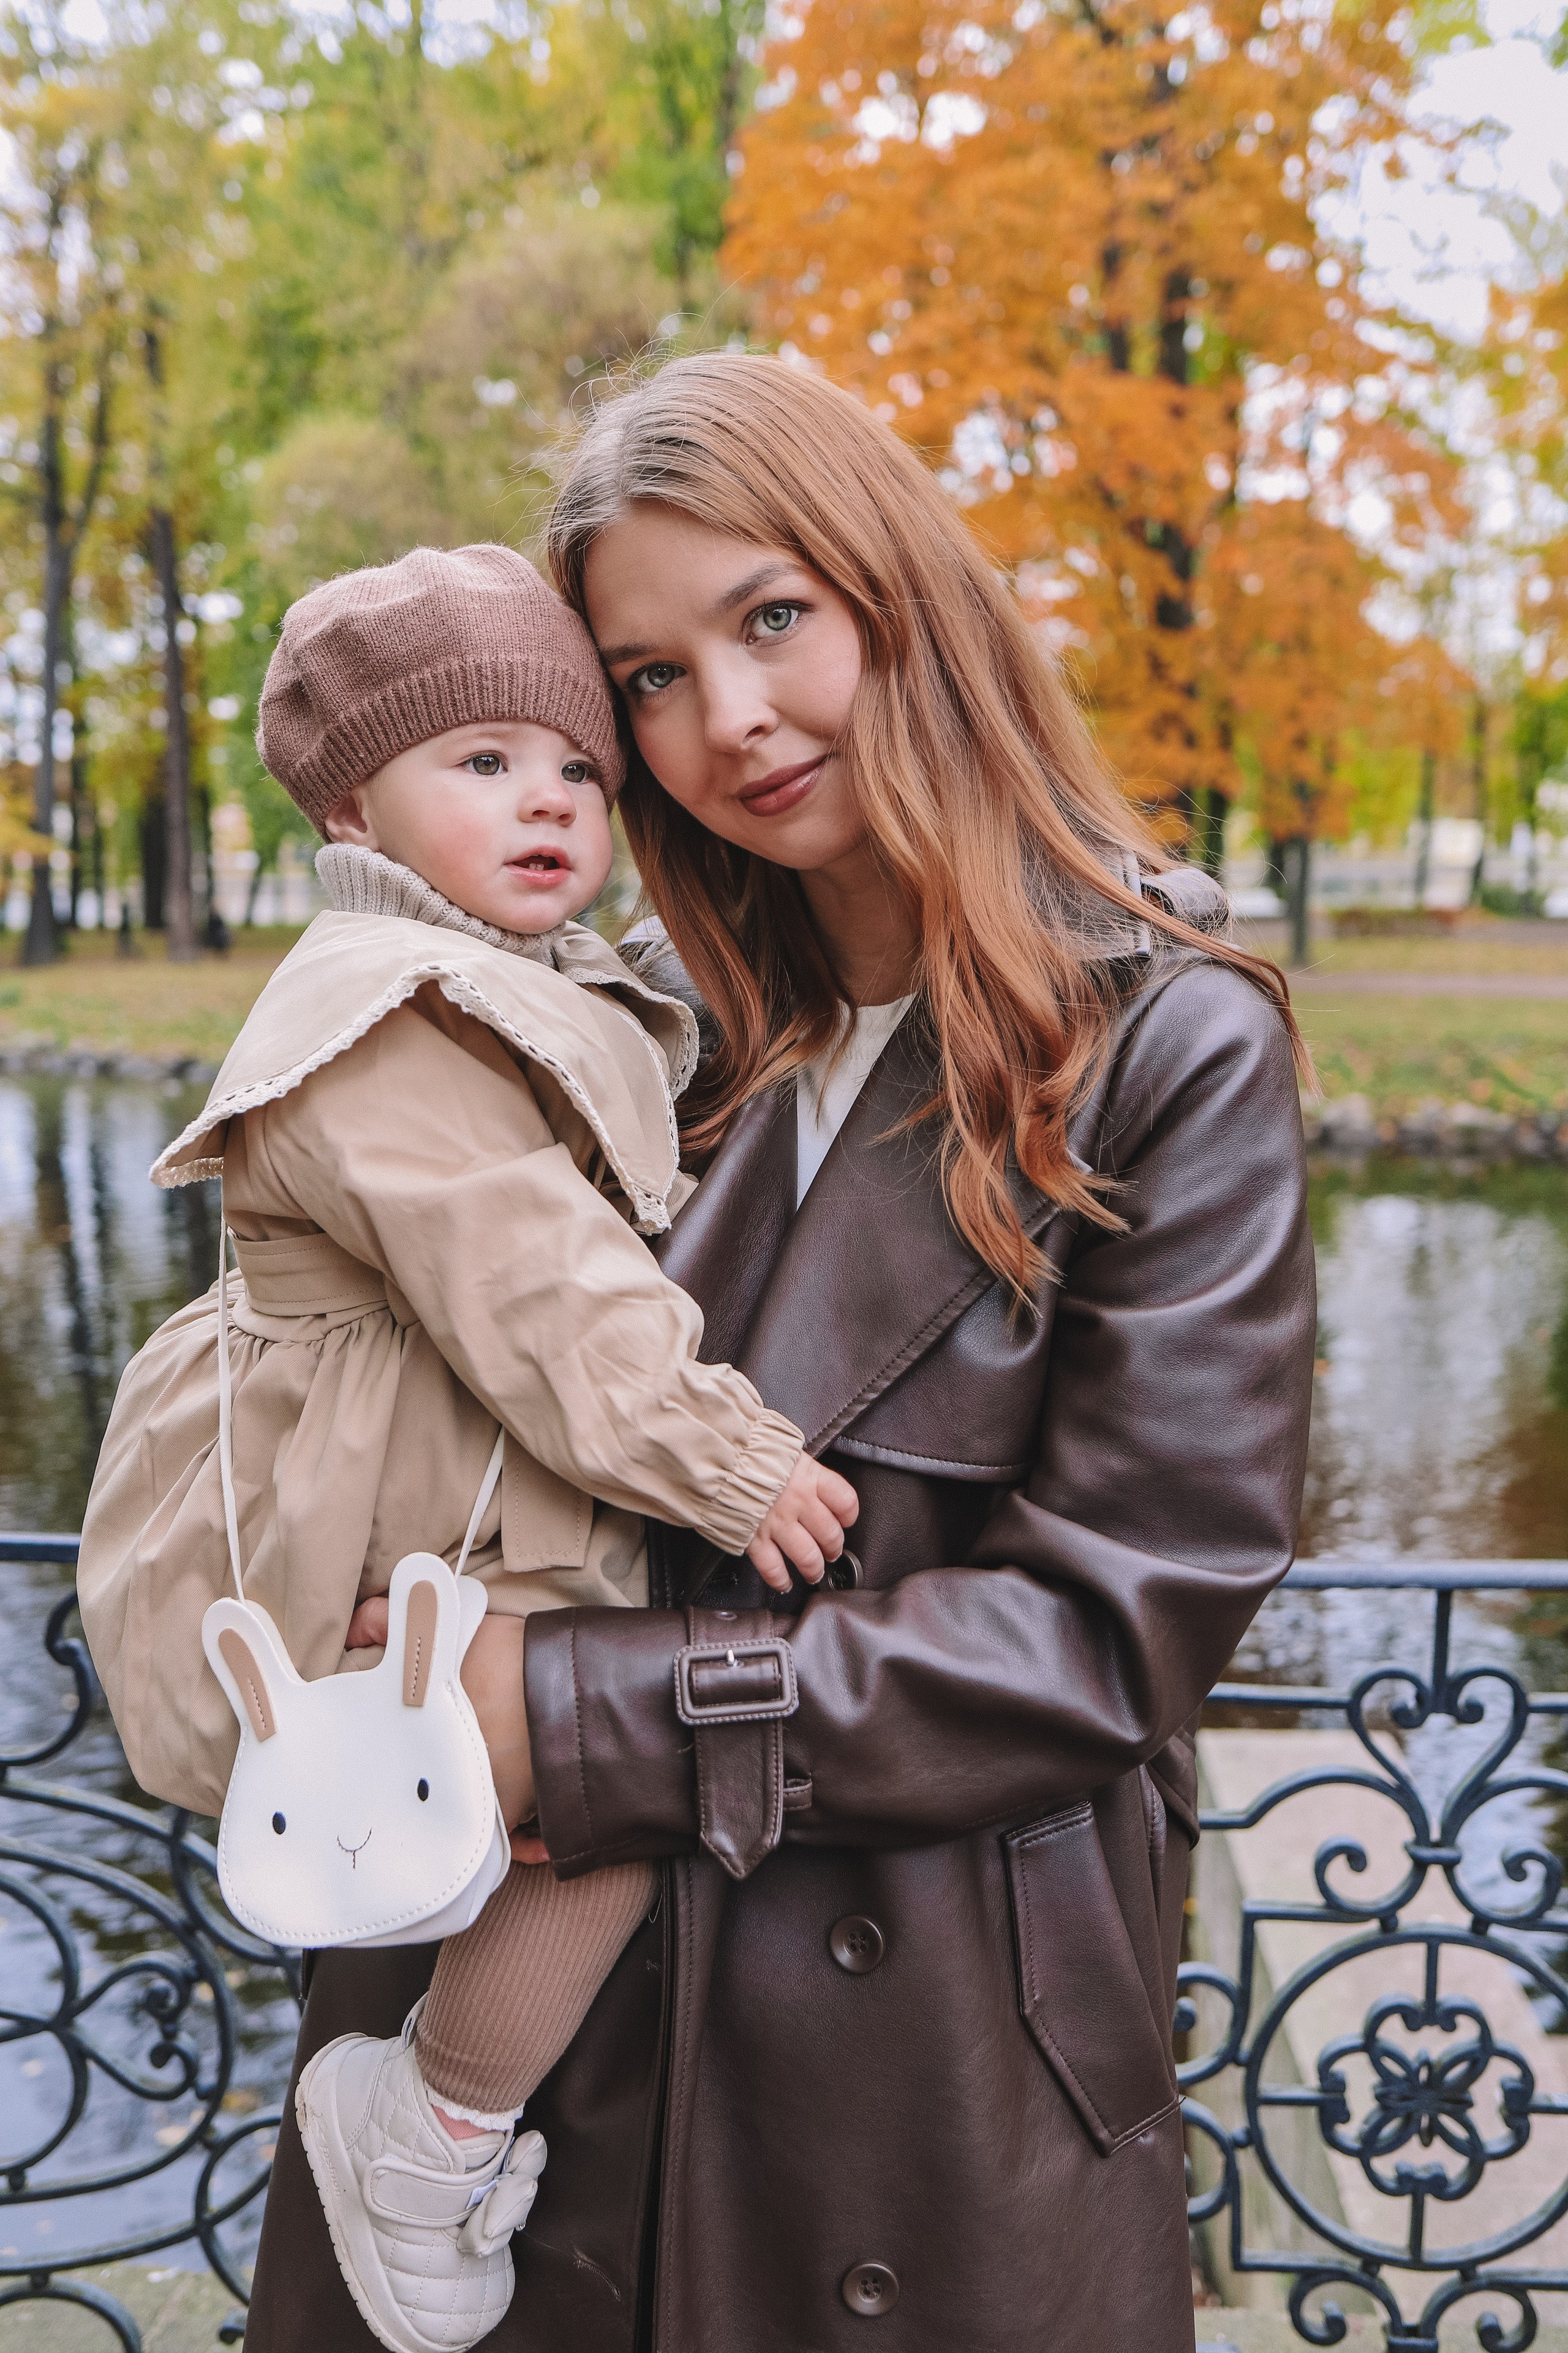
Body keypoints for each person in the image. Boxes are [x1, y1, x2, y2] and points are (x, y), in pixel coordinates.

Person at [244, 353, 1317, 2353]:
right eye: (648, 675)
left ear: (905, 599)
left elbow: (1111, 1629)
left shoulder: (1167, 1042)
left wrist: (573, 1713)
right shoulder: (620, 1027)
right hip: (503, 2054)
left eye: (771, 619)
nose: (725, 718)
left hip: (911, 2072)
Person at [75, 542, 857, 2353]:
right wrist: (730, 1461)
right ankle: (424, 2125)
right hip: (385, 1511)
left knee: (592, 1777)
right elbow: (535, 1282)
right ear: (356, 805)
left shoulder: (493, 974)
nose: (553, 799)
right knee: (599, 1787)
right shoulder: (383, 1015)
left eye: (579, 765)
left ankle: (435, 2115)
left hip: (450, 1487)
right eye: (486, 761)